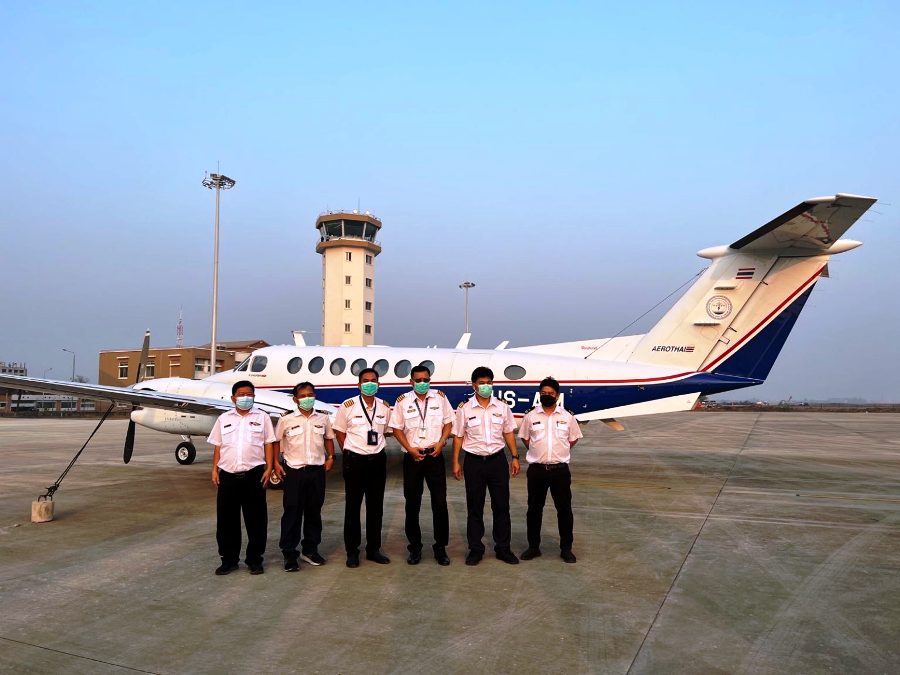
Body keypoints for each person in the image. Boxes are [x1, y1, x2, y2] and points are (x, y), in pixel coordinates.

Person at [452, 366, 521, 566]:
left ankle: (503, 548)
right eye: (481, 383)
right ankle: (476, 549)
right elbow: (458, 436)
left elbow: (508, 432)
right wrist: (456, 462)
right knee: (475, 508)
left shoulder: (502, 407)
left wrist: (515, 456)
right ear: (474, 386)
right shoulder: (465, 408)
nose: (486, 386)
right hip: (474, 462)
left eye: (489, 383)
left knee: (501, 506)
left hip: (497, 461)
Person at [208, 380, 276, 575]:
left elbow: (269, 443)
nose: (245, 397)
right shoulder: (223, 418)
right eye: (241, 394)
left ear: (254, 396)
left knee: (256, 520)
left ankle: (255, 560)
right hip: (228, 475)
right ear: (233, 398)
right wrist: (214, 469)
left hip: (254, 474)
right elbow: (218, 446)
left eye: (249, 394)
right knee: (226, 521)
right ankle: (229, 560)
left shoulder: (262, 417)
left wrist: (269, 467)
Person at [389, 364, 453, 565]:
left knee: (440, 503)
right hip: (413, 458)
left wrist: (442, 443)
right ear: (411, 382)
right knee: (412, 504)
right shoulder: (403, 401)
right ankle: (415, 547)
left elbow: (448, 423)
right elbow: (396, 428)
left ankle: (440, 547)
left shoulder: (440, 398)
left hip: (435, 456)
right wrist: (409, 449)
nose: (423, 383)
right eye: (418, 380)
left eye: (426, 380)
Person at [517, 377, 583, 563]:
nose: (547, 396)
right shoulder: (530, 416)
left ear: (557, 395)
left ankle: (566, 549)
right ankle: (533, 547)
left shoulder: (567, 417)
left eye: (551, 393)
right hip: (537, 470)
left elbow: (573, 439)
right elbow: (525, 438)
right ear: (539, 394)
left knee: (564, 510)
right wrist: (539, 452)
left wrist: (559, 452)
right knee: (534, 510)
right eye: (544, 393)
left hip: (560, 471)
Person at [333, 367, 392, 568]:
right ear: (358, 385)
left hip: (377, 460)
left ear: (378, 384)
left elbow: (385, 431)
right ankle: (352, 551)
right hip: (355, 461)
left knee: (376, 508)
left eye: (373, 380)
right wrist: (349, 450)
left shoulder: (384, 407)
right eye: (365, 381)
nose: (369, 384)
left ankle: (373, 549)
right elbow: (340, 431)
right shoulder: (347, 406)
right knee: (353, 507)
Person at [274, 382, 335, 571]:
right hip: (294, 472)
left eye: (310, 395)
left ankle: (310, 550)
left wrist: (331, 457)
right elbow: (276, 441)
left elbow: (328, 438)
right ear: (295, 399)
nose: (307, 398)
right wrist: (275, 463)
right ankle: (289, 553)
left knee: (313, 512)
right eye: (302, 396)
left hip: (316, 472)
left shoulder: (323, 418)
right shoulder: (286, 419)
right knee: (292, 512)